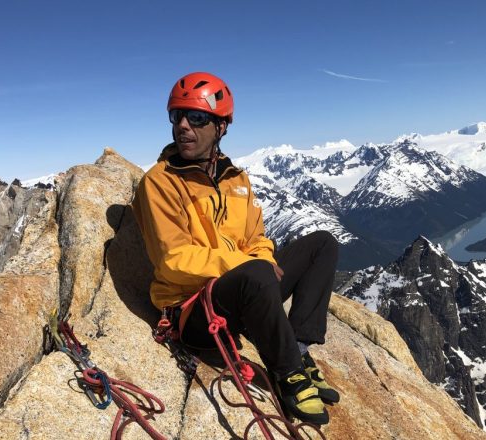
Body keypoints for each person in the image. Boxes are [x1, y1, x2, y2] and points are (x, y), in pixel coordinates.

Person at [132, 72, 340, 425]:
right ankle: (287, 373)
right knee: (258, 271)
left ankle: (299, 348)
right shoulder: (159, 183)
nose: (183, 126)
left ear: (221, 126)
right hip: (193, 310)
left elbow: (257, 238)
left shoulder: (235, 179)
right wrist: (248, 265)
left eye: (196, 117)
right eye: (176, 116)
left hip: (241, 289)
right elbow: (172, 260)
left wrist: (258, 260)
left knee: (322, 244)